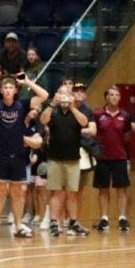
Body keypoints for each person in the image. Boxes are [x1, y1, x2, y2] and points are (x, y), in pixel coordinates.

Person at [0, 63, 47, 238]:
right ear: (0, 90)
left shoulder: (23, 105)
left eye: (11, 87)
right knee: (0, 192)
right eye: (4, 87)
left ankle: (18, 225)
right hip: (1, 155)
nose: (7, 89)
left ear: (15, 90)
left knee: (18, 193)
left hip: (19, 155)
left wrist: (28, 82)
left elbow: (44, 95)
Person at [41, 83, 90, 236]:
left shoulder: (76, 112)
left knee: (72, 193)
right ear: (56, 95)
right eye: (61, 94)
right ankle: (54, 222)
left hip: (73, 160)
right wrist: (52, 104)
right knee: (56, 192)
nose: (64, 98)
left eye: (67, 94)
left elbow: (84, 122)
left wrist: (72, 106)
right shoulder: (53, 111)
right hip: (55, 158)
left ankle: (73, 222)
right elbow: (43, 120)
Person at [92, 86, 135, 232]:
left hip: (120, 157)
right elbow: (93, 133)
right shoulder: (98, 114)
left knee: (121, 189)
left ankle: (122, 218)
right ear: (106, 97)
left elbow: (128, 134)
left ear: (119, 98)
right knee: (103, 189)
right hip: (102, 157)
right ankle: (104, 219)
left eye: (116, 95)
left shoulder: (125, 115)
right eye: (111, 94)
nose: (113, 97)